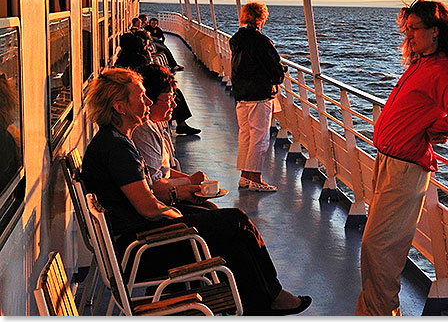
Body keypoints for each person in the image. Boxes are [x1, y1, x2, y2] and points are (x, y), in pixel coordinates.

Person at [80, 68, 311, 315]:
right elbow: (148, 208)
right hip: (143, 251)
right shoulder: (117, 150)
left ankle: (264, 299)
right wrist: (179, 218)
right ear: (120, 107)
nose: (148, 101)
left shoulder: (112, 141)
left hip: (136, 242)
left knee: (232, 231)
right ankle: (268, 298)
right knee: (236, 222)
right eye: (140, 97)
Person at [355, 0, 448, 316]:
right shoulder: (420, 65)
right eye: (407, 29)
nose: (409, 35)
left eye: (415, 29)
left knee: (380, 250)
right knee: (374, 249)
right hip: (387, 164)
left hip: (406, 170)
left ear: (435, 31)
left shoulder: (443, 71)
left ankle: (380, 315)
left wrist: (432, 127)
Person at [131, 63, 214, 211]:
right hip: (161, 205)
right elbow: (155, 186)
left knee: (211, 208)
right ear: (149, 100)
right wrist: (188, 182)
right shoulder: (143, 131)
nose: (174, 105)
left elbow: (163, 171)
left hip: (165, 197)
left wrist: (190, 181)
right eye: (169, 99)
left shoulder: (156, 123)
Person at [229, 2, 285, 192]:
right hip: (259, 95)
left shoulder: (237, 39)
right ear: (261, 19)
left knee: (245, 135)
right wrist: (280, 73)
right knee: (260, 137)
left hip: (241, 94)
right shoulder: (261, 41)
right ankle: (256, 178)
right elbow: (274, 69)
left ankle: (245, 176)